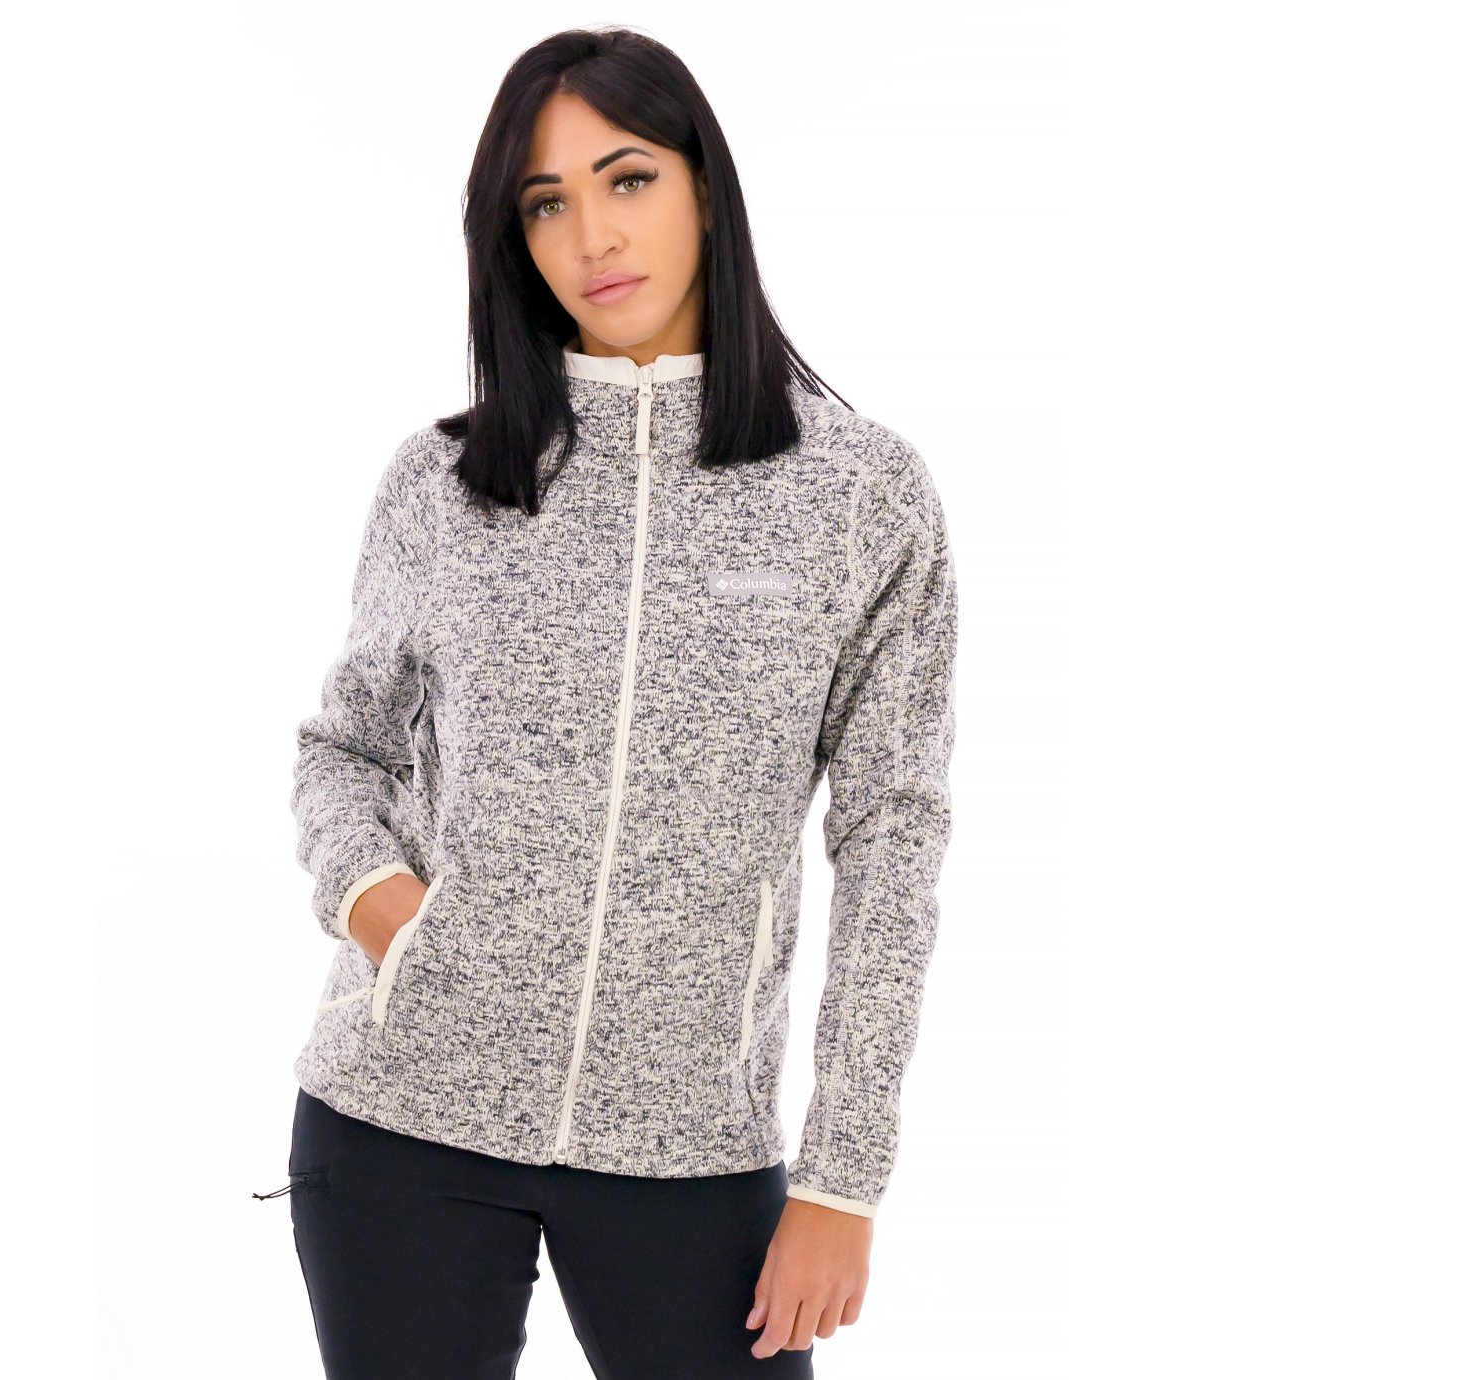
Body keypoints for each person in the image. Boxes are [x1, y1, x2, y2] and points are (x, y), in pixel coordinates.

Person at [261, 26, 958, 1380]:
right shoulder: (445, 483)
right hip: (400, 1123)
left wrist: (843, 1176)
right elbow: (342, 749)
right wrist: (386, 912)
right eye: (545, 203)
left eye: (627, 178)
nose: (592, 237)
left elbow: (894, 839)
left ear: (704, 186)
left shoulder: (862, 494)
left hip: (691, 1149)